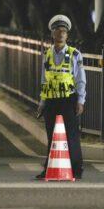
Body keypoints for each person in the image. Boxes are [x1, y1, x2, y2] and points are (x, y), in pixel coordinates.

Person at [35, 14, 86, 180]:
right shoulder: (47, 54)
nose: (61, 33)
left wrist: (80, 101)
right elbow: (44, 79)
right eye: (58, 30)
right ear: (52, 33)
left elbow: (80, 80)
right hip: (51, 101)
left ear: (67, 35)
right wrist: (42, 102)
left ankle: (76, 169)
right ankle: (49, 168)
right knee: (52, 136)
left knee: (71, 135)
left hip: (68, 100)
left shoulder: (74, 54)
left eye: (64, 31)